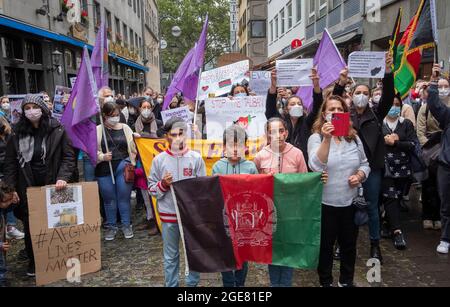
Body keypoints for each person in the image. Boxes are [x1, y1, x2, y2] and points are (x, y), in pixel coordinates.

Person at [4, 94, 76, 277]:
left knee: (58, 222)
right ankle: (35, 261)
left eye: (33, 107)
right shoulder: (16, 133)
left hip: (54, 185)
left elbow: (68, 157)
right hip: (26, 187)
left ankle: (58, 259)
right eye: (26, 108)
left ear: (42, 109)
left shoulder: (57, 129)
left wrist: (63, 177)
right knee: (31, 226)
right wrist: (11, 189)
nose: (31, 111)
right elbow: (11, 163)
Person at [332, 53, 394, 262]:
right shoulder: (344, 115)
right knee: (346, 207)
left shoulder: (376, 113)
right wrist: (341, 82)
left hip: (372, 170)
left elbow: (387, 96)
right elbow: (335, 100)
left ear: (369, 96)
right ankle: (342, 244)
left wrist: (387, 71)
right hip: (347, 169)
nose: (361, 95)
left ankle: (375, 245)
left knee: (372, 206)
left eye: (365, 93)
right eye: (357, 92)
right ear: (352, 94)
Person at [308, 95, 370, 287]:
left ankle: (346, 281)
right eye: (331, 109)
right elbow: (315, 166)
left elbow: (365, 164)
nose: (335, 112)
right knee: (325, 247)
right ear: (324, 114)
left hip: (349, 203)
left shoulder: (353, 138)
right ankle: (325, 282)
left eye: (339, 109)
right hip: (325, 203)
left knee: (349, 246)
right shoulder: (316, 137)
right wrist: (327, 139)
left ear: (345, 113)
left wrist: (359, 176)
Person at [149, 117, 206, 287]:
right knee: (170, 256)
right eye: (174, 134)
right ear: (167, 136)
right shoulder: (158, 160)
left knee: (193, 253)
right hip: (169, 216)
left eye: (181, 134)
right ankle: (171, 285)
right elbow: (151, 190)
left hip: (191, 218)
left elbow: (204, 190)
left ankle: (192, 285)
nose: (178, 138)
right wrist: (163, 184)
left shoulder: (196, 158)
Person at [254, 117, 308, 287]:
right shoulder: (261, 156)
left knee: (289, 249)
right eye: (272, 132)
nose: (277, 135)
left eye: (280, 131)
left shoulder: (297, 153)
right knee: (274, 249)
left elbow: (305, 181)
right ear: (268, 135)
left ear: (286, 132)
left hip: (291, 212)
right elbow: (254, 183)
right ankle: (273, 284)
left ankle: (285, 284)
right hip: (269, 213)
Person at [212, 125, 258, 287]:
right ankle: (228, 284)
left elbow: (257, 193)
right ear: (224, 147)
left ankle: (240, 284)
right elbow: (212, 194)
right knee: (225, 253)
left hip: (244, 221)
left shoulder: (251, 167)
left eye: (240, 145)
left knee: (242, 255)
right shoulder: (217, 167)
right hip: (224, 219)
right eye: (231, 145)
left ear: (245, 146)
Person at [96, 102, 137, 241]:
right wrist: (102, 156)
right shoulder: (98, 130)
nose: (115, 118)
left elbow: (133, 147)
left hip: (123, 166)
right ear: (105, 116)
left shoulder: (125, 128)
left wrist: (137, 141)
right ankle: (111, 226)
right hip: (104, 168)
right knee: (109, 200)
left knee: (123, 198)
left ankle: (126, 225)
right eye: (111, 116)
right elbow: (91, 151)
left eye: (117, 115)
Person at [265, 67, 323, 164]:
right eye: (292, 104)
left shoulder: (307, 122)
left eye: (299, 104)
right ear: (286, 109)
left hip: (303, 163)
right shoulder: (280, 122)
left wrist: (316, 85)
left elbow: (318, 107)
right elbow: (270, 110)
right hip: (283, 163)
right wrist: (273, 85)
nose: (296, 106)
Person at [381, 97, 416, 250]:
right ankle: (397, 231)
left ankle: (387, 223)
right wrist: (385, 141)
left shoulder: (406, 124)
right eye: (391, 104)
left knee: (397, 197)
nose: (394, 108)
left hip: (402, 168)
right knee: (390, 196)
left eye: (397, 105)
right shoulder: (379, 123)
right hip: (386, 167)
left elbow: (412, 144)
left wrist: (396, 143)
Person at [427, 64, 450, 254]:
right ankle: (445, 238)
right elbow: (434, 105)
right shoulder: (448, 115)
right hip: (447, 165)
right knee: (446, 203)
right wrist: (434, 82)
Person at [417, 84, 445, 230]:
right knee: (429, 184)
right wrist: (427, 147)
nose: (443, 89)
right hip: (430, 150)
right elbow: (420, 131)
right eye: (440, 86)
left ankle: (439, 215)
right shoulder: (425, 108)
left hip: (446, 149)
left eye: (446, 86)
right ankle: (427, 215)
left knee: (443, 186)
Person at [0, 117, 24, 240]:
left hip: (9, 172)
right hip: (2, 173)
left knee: (10, 201)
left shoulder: (9, 134)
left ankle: (10, 226)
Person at [0, 182, 19, 287]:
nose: (9, 202)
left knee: (2, 263)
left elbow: (8, 208)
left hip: (1, 243)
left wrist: (14, 201)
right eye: (7, 200)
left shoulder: (2, 207)